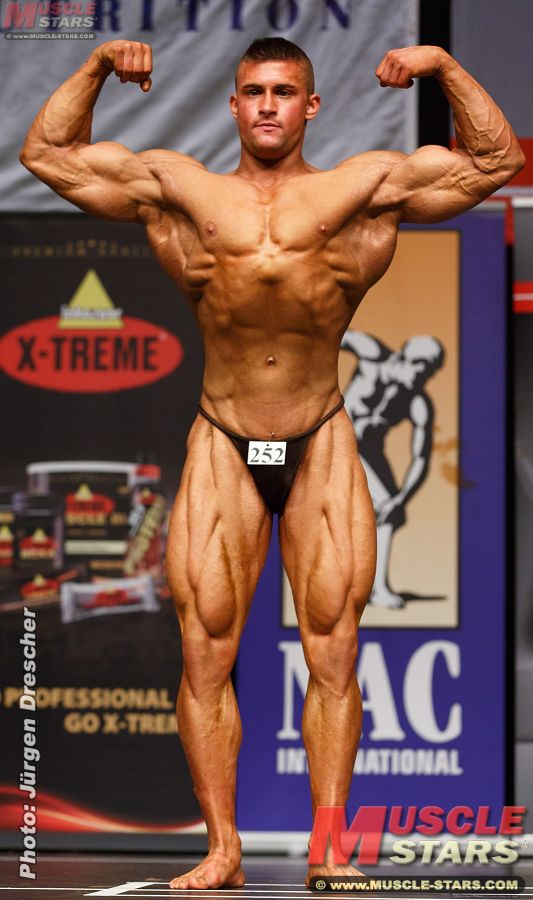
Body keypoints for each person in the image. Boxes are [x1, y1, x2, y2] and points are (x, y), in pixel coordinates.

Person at [20, 36, 524, 890]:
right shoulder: (180, 189)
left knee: (333, 650)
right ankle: (222, 849)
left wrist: (443, 67)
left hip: (319, 435)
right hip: (223, 437)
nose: (266, 105)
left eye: (283, 91)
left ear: (309, 105)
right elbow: (47, 154)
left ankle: (329, 848)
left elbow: (495, 161)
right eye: (252, 90)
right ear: (232, 104)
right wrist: (99, 64)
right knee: (204, 652)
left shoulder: (362, 188)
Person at [342, 331, 444, 608]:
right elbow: (329, 334)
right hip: (336, 440)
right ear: (405, 359)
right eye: (421, 371)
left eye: (428, 375)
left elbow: (420, 458)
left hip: (368, 452)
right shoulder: (371, 353)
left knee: (390, 512)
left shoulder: (417, 402)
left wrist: (401, 499)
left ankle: (375, 587)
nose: (422, 380)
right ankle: (364, 586)